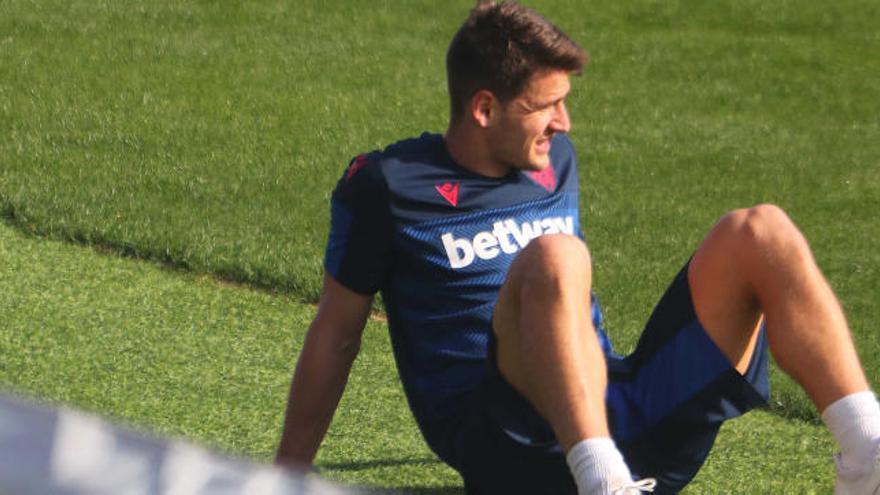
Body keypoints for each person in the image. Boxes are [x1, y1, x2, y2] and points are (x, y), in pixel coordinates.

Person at [275, 2, 880, 493]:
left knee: (761, 230)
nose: (564, 123)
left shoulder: (553, 159)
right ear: (485, 108)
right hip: (505, 447)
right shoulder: (387, 186)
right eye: (546, 106)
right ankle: (603, 482)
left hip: (614, 416)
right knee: (556, 254)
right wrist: (284, 480)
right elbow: (336, 333)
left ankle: (866, 455)